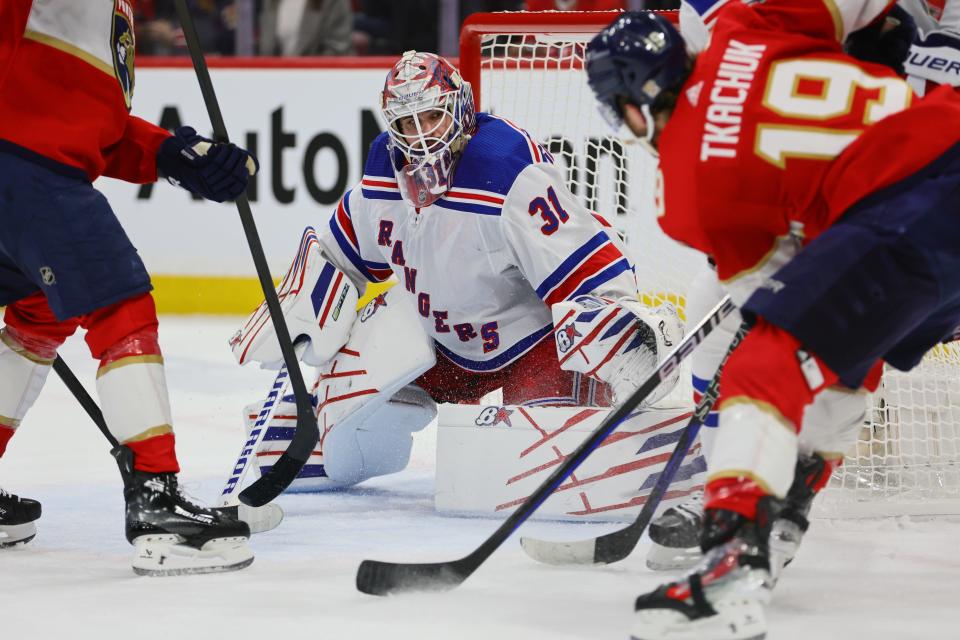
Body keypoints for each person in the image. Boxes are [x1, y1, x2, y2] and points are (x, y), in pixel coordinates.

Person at [586, 3, 960, 638]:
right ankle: (785, 508)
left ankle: (730, 562)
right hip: (939, 141)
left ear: (633, 101)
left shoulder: (681, 190)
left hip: (916, 202)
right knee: (849, 349)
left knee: (764, 366)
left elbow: (771, 288)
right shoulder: (747, 28)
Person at [230, 50, 684, 492]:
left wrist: (628, 342)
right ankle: (336, 421)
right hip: (440, 350)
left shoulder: (506, 171)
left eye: (431, 117)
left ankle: (604, 431)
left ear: (461, 109)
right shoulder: (382, 174)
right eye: (407, 124)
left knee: (530, 469)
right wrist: (300, 306)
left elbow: (591, 274)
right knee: (324, 440)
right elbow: (341, 258)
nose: (420, 137)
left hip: (532, 348)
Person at [0, 1, 258, 575]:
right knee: (120, 303)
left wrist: (174, 156)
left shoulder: (111, 10)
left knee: (40, 311)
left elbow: (92, 129)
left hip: (30, 166)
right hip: (23, 167)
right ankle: (157, 505)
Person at [258, 0, 354, 57]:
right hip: (278, 80)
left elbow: (337, 51)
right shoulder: (269, 2)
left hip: (320, 80)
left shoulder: (334, 2)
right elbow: (266, 50)